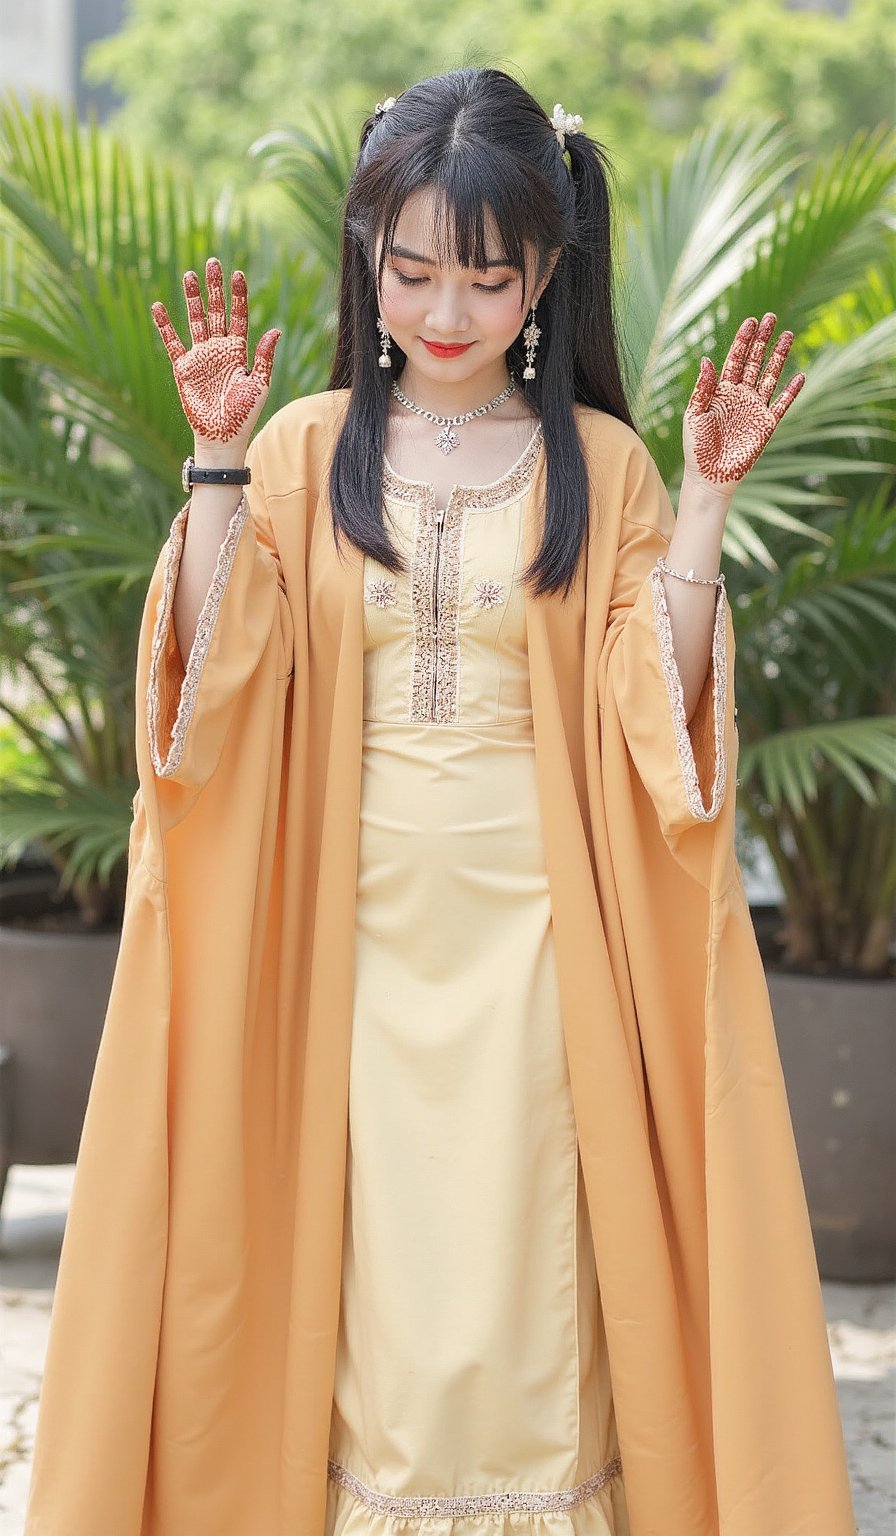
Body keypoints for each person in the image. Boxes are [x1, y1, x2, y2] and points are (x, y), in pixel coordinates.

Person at [25, 66, 857, 1536]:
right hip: (340, 948)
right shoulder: (297, 448)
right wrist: (215, 457)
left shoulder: (603, 463)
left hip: (541, 955)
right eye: (413, 271)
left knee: (517, 1297)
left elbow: (652, 720)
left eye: (486, 275)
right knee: (365, 1300)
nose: (447, 312)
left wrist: (709, 505)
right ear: (370, 261)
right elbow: (211, 688)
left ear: (545, 274)